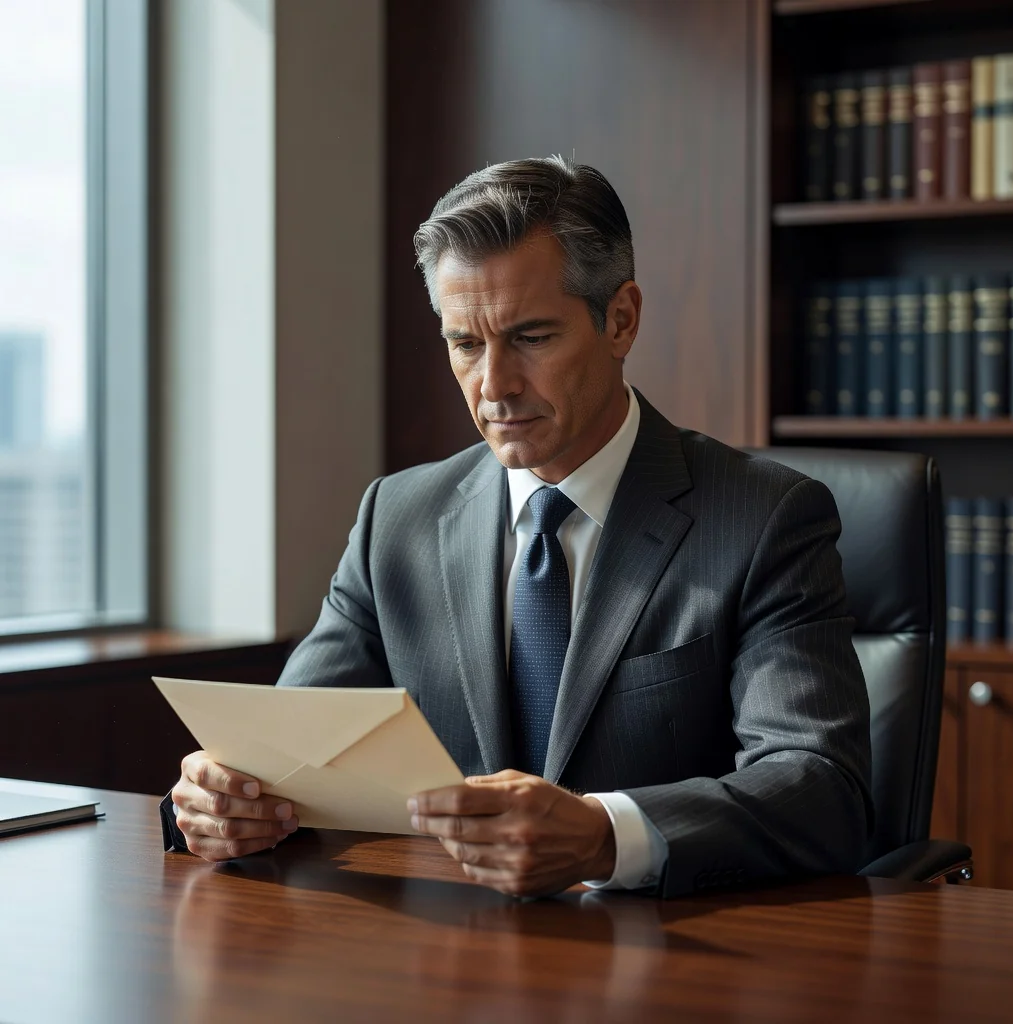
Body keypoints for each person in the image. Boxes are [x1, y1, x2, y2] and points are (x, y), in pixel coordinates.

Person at [162, 156, 872, 898]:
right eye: (465, 344)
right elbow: (282, 759)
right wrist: (219, 802)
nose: (494, 385)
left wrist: (603, 836)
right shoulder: (396, 519)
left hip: (666, 945)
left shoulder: (764, 518)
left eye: (531, 337)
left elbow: (822, 787)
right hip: (446, 944)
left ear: (621, 319)